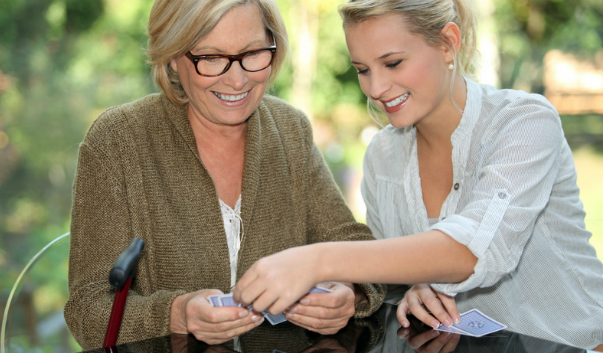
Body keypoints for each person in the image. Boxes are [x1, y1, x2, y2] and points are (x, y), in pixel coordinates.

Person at [232, 0, 603, 350]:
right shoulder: (383, 155)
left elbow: (472, 249)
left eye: (392, 63)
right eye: (362, 70)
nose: (375, 89)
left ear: (447, 43)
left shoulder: (523, 122)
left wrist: (315, 261)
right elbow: (389, 275)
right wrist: (410, 291)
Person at [63, 0, 386, 349]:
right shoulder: (118, 141)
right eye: (211, 58)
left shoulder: (290, 130)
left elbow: (355, 248)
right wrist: (177, 312)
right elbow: (88, 309)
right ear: (172, 56)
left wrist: (350, 293)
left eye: (253, 53)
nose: (237, 79)